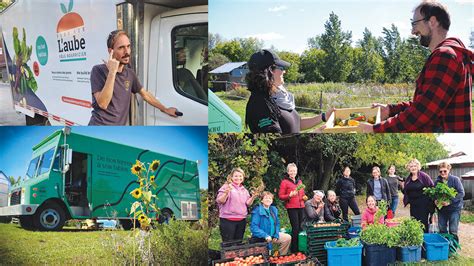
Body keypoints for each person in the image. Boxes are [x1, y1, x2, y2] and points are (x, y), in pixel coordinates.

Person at [360, 1, 472, 133]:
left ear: (432, 21)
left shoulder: (445, 56)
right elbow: (427, 104)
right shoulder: (455, 54)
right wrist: (390, 110)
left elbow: (422, 113)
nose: (413, 31)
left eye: (415, 24)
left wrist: (376, 129)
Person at [89, 30, 178, 125]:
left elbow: (145, 94)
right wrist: (112, 72)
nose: (126, 52)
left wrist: (165, 109)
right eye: (121, 48)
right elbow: (103, 104)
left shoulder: (130, 74)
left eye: (128, 46)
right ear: (111, 51)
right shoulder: (98, 70)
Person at [245, 49, 330, 134]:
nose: (284, 71)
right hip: (291, 148)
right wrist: (313, 135)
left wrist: (323, 117)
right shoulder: (260, 104)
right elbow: (276, 143)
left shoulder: (276, 96)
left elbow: (296, 124)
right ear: (270, 70)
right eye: (281, 68)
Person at [216, 168, 257, 242]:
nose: (238, 178)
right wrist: (226, 193)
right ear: (231, 177)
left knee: (238, 243)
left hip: (241, 220)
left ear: (243, 178)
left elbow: (248, 203)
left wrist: (253, 197)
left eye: (240, 176)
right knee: (228, 244)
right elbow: (220, 201)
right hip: (227, 220)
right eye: (236, 176)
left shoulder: (244, 190)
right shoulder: (226, 187)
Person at [278, 163, 306, 253]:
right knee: (295, 228)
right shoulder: (284, 182)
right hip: (292, 207)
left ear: (296, 171)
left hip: (301, 206)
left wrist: (304, 197)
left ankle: (301, 247)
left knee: (302, 227)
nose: (293, 172)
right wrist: (289, 195)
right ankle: (294, 250)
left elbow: (302, 194)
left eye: (294, 170)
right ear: (288, 172)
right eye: (291, 171)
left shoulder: (299, 181)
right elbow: (281, 196)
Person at [435, 162, 465, 242]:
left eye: (445, 171)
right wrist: (435, 200)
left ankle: (453, 248)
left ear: (449, 170)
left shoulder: (455, 180)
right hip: (442, 209)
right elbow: (434, 194)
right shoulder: (437, 181)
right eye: (441, 171)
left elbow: (461, 193)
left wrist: (450, 201)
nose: (443, 173)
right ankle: (444, 247)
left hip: (454, 208)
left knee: (453, 229)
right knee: (442, 229)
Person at [402, 159, 434, 232]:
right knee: (414, 223)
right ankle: (417, 241)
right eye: (411, 166)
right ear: (409, 168)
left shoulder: (424, 176)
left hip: (424, 205)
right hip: (413, 205)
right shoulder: (408, 178)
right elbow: (406, 191)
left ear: (418, 167)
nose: (413, 168)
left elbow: (432, 187)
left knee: (423, 223)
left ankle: (424, 240)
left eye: (415, 166)